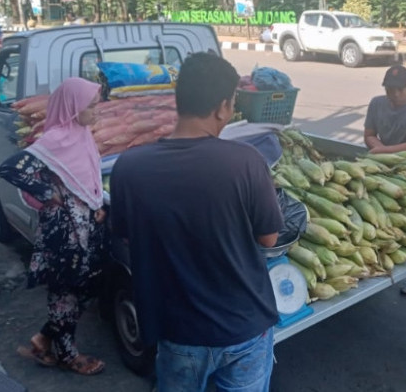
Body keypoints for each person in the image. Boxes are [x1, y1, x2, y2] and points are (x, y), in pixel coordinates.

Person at [109, 52, 284, 392]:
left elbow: (128, 238)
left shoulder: (129, 167)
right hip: (243, 328)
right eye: (232, 103)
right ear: (222, 107)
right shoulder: (246, 162)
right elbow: (269, 239)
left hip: (177, 331)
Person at [0, 77, 108, 375]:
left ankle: (44, 339)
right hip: (64, 232)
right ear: (73, 107)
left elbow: (84, 176)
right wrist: (48, 194)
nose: (96, 111)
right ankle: (68, 356)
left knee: (81, 290)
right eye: (92, 106)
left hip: (83, 226)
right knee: (65, 294)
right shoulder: (55, 140)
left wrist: (95, 204)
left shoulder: (80, 134)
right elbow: (10, 168)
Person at [364, 64, 406, 295]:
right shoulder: (376, 103)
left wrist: (383, 152)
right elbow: (369, 135)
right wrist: (381, 151)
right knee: (384, 214)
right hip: (383, 164)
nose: (393, 94)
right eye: (389, 89)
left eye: (399, 90)